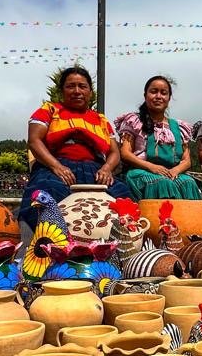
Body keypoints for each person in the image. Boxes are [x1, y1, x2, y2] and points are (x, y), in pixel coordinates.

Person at [20, 66, 131, 232]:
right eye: (71, 86)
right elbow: (34, 140)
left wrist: (107, 169)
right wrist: (56, 167)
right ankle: (43, 246)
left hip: (95, 169)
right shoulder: (50, 110)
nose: (77, 91)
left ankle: (118, 249)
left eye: (82, 86)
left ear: (90, 92)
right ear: (62, 90)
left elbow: (114, 152)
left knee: (123, 196)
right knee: (45, 193)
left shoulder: (100, 119)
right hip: (55, 166)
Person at [114, 76, 201, 200]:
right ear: (145, 95)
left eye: (163, 93)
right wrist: (152, 167)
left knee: (188, 183)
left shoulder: (179, 127)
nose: (158, 96)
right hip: (141, 171)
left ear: (169, 98)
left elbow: (186, 160)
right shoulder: (134, 121)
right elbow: (125, 153)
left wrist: (175, 171)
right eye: (154, 92)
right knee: (162, 183)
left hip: (171, 173)